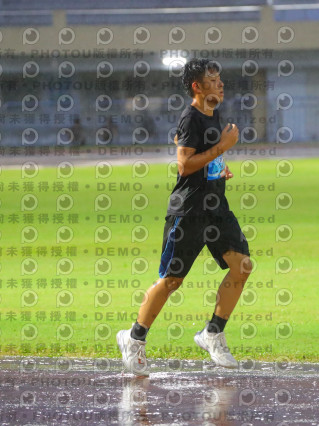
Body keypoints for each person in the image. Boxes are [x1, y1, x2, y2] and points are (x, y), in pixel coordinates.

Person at [116, 58, 252, 376]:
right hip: (189, 211)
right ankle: (133, 338)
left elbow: (195, 153)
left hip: (216, 208)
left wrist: (218, 169)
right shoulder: (191, 117)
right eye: (213, 80)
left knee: (242, 266)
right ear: (197, 86)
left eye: (220, 78)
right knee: (172, 281)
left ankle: (212, 333)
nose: (220, 83)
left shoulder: (212, 114)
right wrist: (222, 147)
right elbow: (185, 165)